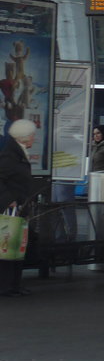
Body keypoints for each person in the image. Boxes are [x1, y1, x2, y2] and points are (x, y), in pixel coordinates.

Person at [0, 119, 37, 297]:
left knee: (17, 245)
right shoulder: (10, 156)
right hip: (12, 209)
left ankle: (14, 284)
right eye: (32, 135)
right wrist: (8, 200)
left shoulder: (16, 153)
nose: (34, 139)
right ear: (23, 138)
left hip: (20, 206)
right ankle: (7, 285)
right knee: (9, 246)